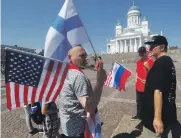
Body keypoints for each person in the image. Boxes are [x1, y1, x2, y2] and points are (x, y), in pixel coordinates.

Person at [59, 45, 107, 138]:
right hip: (79, 130)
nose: (85, 58)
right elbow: (89, 107)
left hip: (67, 127)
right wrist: (100, 83)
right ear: (70, 58)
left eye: (85, 55)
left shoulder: (65, 72)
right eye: (81, 56)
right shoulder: (78, 76)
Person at [139, 36, 180, 137]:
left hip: (154, 121)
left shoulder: (160, 63)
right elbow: (162, 82)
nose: (149, 49)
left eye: (153, 46)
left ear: (162, 47)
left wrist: (157, 118)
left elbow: (158, 91)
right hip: (168, 114)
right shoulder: (167, 61)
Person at [131, 46, 154, 120]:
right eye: (139, 53)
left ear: (145, 53)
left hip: (147, 86)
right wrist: (135, 80)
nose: (140, 55)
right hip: (138, 86)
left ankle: (147, 117)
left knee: (147, 103)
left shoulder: (150, 61)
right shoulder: (138, 62)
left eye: (142, 53)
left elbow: (154, 74)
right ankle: (138, 115)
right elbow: (137, 72)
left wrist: (148, 67)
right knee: (139, 102)